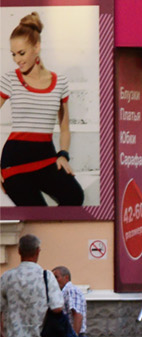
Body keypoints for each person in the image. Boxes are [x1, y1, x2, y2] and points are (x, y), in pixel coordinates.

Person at [0, 13, 85, 206]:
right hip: (15, 163)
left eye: (21, 53)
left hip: (46, 158)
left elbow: (64, 126)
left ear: (36, 48)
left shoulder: (59, 82)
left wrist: (63, 154)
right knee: (37, 211)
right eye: (13, 54)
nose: (17, 60)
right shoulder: (10, 80)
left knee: (74, 197)